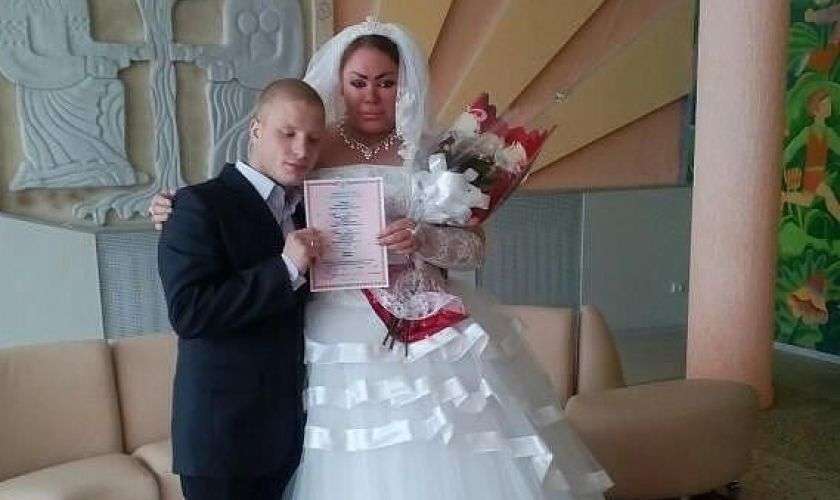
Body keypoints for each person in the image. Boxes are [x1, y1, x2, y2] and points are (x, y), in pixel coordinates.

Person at [152, 20, 612, 500]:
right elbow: (250, 203)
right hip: (330, 324)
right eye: (358, 82)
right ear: (339, 84)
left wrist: (424, 239)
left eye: (386, 83)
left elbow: (474, 247)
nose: (371, 96)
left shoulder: (435, 152)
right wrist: (171, 205)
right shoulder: (311, 148)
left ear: (403, 84)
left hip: (425, 325)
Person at [157, 78, 327, 500]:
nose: (301, 150)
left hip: (287, 433)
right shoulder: (197, 204)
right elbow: (190, 312)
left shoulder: (305, 210)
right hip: (222, 437)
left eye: (312, 139)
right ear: (256, 129)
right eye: (287, 133)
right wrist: (286, 267)